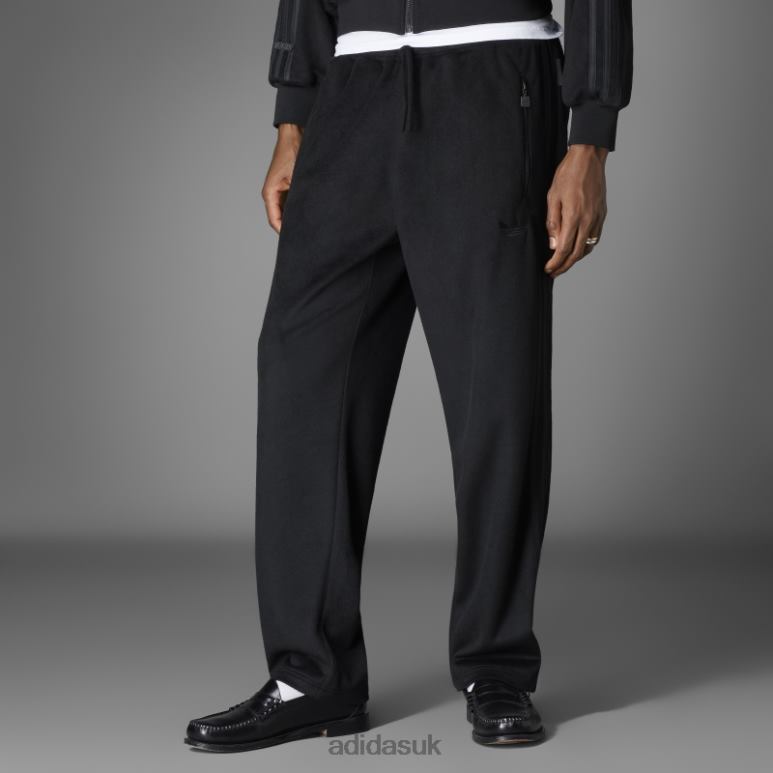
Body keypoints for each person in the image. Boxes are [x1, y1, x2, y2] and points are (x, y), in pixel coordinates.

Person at [185, 0, 633, 751]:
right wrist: (293, 115)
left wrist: (589, 136)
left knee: (494, 386)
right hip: (350, 95)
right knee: (302, 376)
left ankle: (495, 665)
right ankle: (311, 675)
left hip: (493, 85)